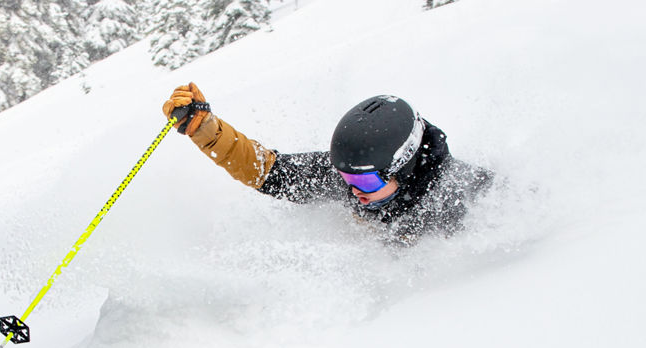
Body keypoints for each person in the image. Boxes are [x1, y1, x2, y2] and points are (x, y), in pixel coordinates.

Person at [162, 82, 493, 245]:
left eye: (365, 183)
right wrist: (206, 131)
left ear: (404, 170)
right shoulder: (357, 177)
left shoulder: (468, 201)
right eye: (345, 176)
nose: (353, 191)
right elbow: (269, 172)